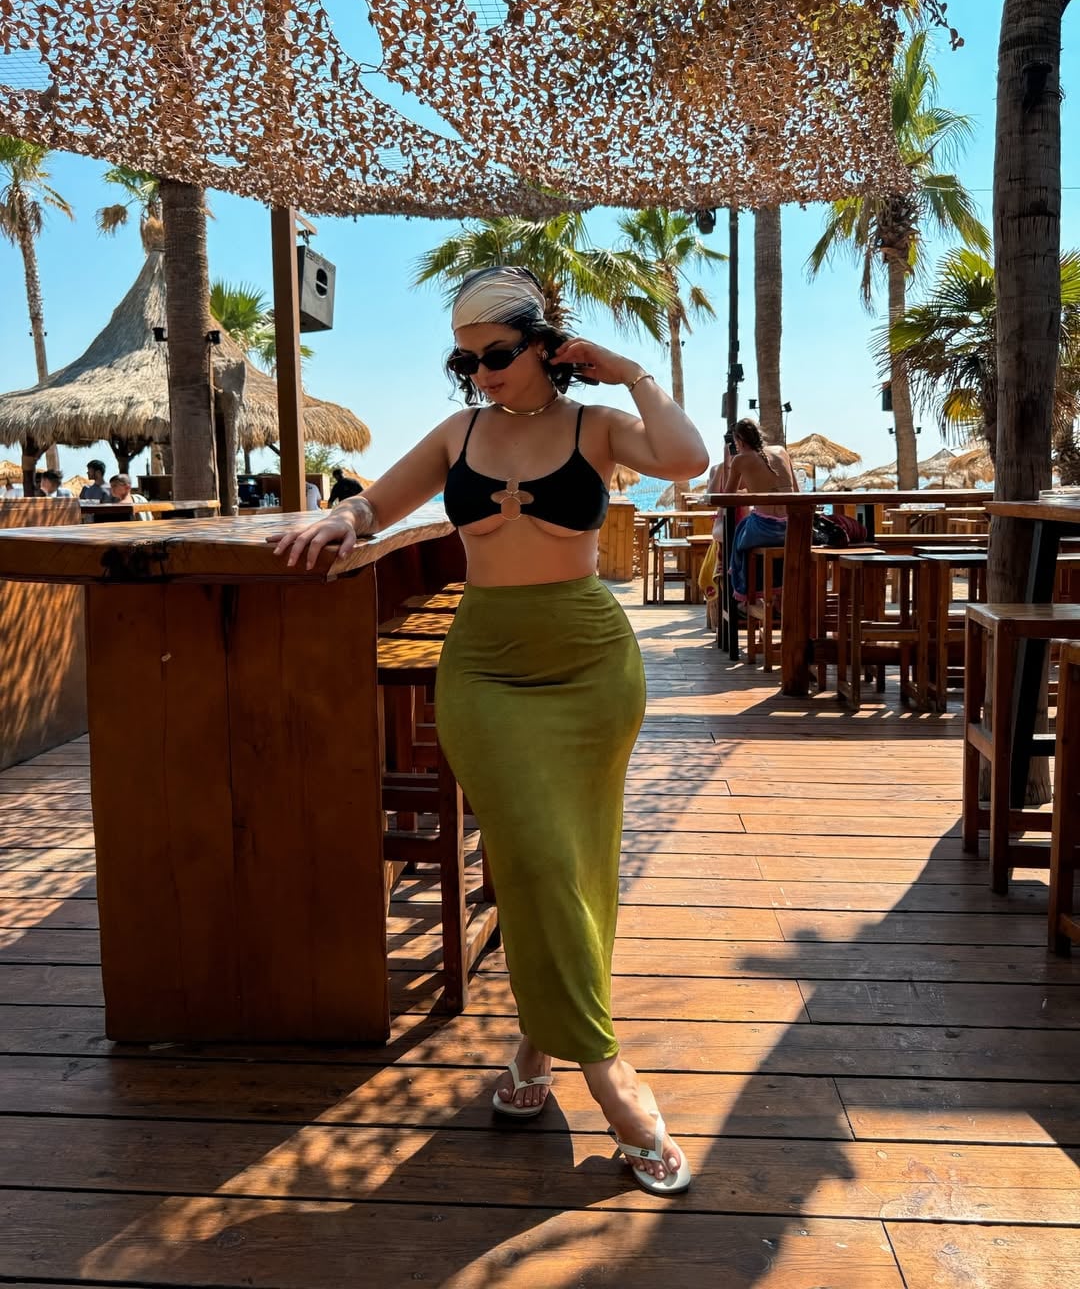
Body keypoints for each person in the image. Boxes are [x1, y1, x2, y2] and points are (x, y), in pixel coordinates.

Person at [268, 265, 708, 1196]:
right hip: (486, 670)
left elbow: (687, 459)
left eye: (497, 354)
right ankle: (607, 1072)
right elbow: (376, 503)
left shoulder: (598, 427)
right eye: (464, 360)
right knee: (536, 856)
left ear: (546, 347)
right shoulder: (457, 435)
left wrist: (632, 372)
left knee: (580, 860)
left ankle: (537, 1048)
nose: (480, 373)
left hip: (591, 666)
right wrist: (341, 518)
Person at [717, 418, 798, 603]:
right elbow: (796, 490)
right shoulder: (782, 451)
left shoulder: (740, 460)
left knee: (739, 534)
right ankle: (778, 594)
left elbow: (727, 496)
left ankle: (745, 595)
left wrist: (729, 462)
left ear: (739, 440)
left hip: (766, 529)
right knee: (746, 530)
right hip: (791, 527)